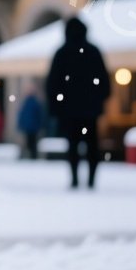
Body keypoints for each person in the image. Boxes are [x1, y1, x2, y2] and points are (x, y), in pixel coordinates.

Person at [46, 16, 110, 190]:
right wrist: (99, 100)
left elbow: (53, 84)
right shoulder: (93, 52)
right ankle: (91, 179)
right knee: (92, 145)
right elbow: (104, 81)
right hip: (90, 110)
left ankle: (75, 178)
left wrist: (56, 107)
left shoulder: (62, 53)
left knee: (73, 145)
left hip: (70, 111)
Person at [16, 84, 45, 160]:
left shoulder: (28, 103)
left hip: (30, 127)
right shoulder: (34, 103)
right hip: (32, 127)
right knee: (31, 142)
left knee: (29, 142)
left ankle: (29, 155)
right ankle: (32, 155)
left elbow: (22, 115)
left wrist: (20, 124)